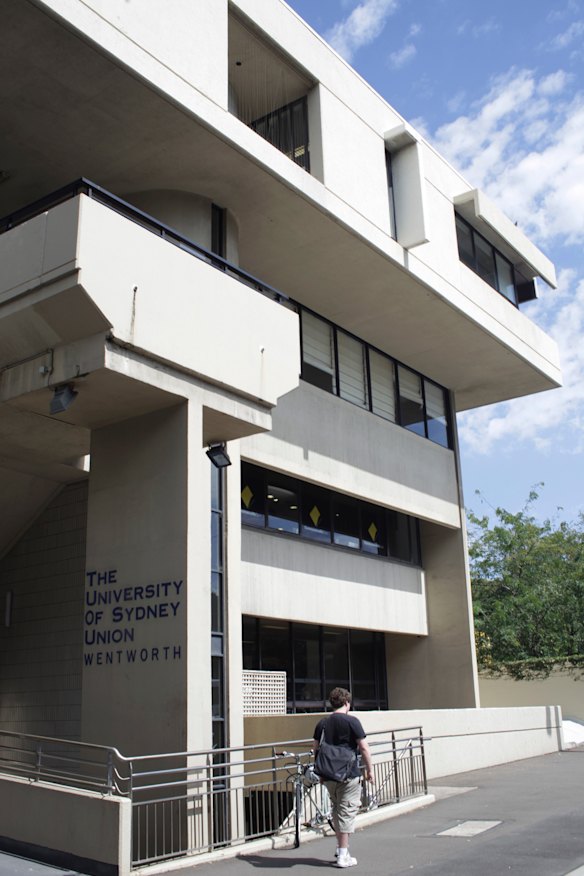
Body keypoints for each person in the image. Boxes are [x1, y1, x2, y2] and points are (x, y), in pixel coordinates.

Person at [313, 687, 374, 869]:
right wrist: (370, 770)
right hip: (349, 774)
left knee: (338, 811)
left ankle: (342, 849)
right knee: (346, 813)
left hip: (329, 775)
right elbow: (363, 748)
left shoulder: (322, 723)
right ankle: (343, 854)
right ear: (347, 703)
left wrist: (321, 773)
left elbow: (315, 749)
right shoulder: (352, 722)